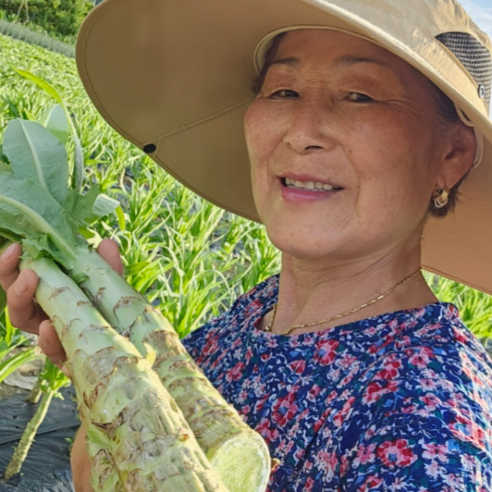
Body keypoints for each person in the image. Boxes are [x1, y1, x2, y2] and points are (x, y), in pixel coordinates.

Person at [2, 0, 492, 490]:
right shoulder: (257, 313)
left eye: (360, 96)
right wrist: (99, 363)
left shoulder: (430, 418)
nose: (301, 132)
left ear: (451, 154)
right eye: (283, 90)